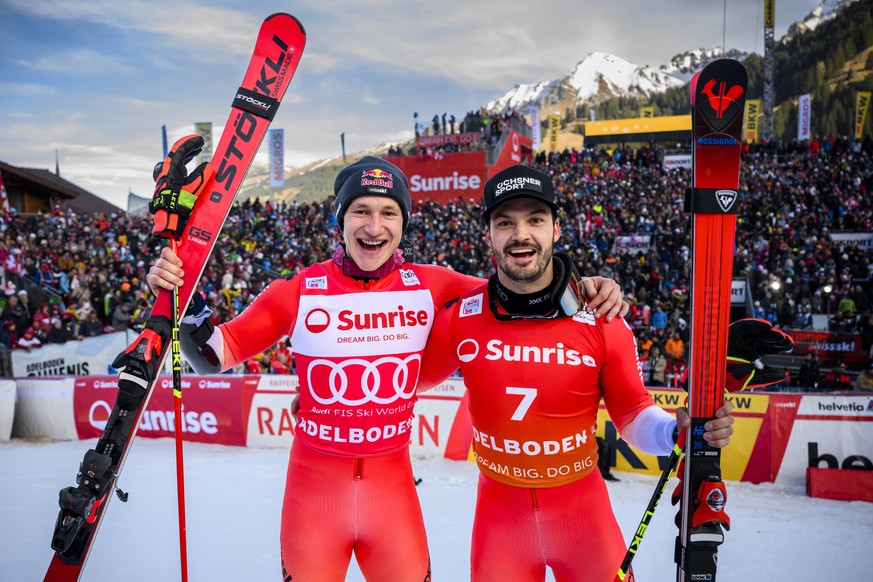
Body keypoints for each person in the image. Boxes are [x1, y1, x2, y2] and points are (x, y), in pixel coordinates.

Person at [146, 154, 626, 582]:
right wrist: (179, 290)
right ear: (340, 219)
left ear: (403, 224)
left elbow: (522, 283)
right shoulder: (297, 290)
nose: (374, 226)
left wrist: (591, 286)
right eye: (361, 210)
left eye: (388, 213)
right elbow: (213, 353)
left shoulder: (435, 285)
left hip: (392, 499)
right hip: (314, 500)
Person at [417, 165, 735, 582]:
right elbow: (407, 381)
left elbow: (633, 412)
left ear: (557, 228)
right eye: (505, 222)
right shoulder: (462, 317)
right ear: (488, 234)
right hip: (501, 525)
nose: (521, 234)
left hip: (582, 518)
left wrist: (675, 433)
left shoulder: (601, 316)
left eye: (535, 219)